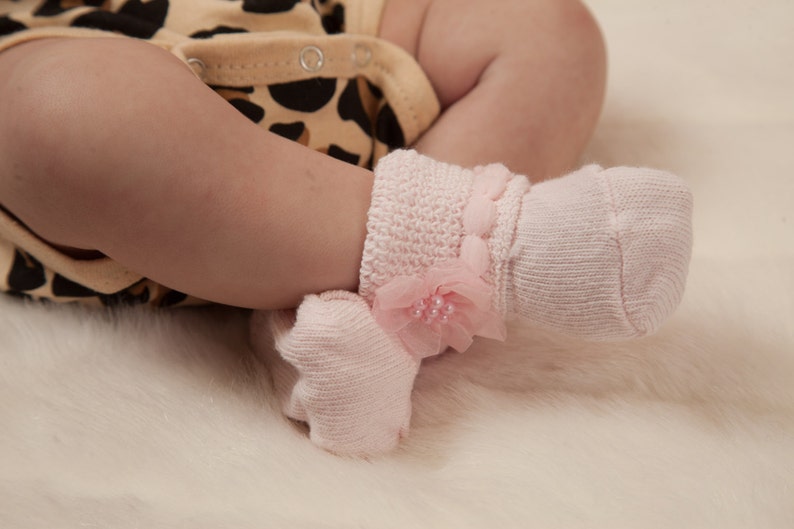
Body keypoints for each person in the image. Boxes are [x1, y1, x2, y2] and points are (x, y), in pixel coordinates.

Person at [0, 0, 693, 456]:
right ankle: (497, 238)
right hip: (56, 53)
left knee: (549, 28)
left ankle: (364, 319)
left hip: (329, 25)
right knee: (60, 114)